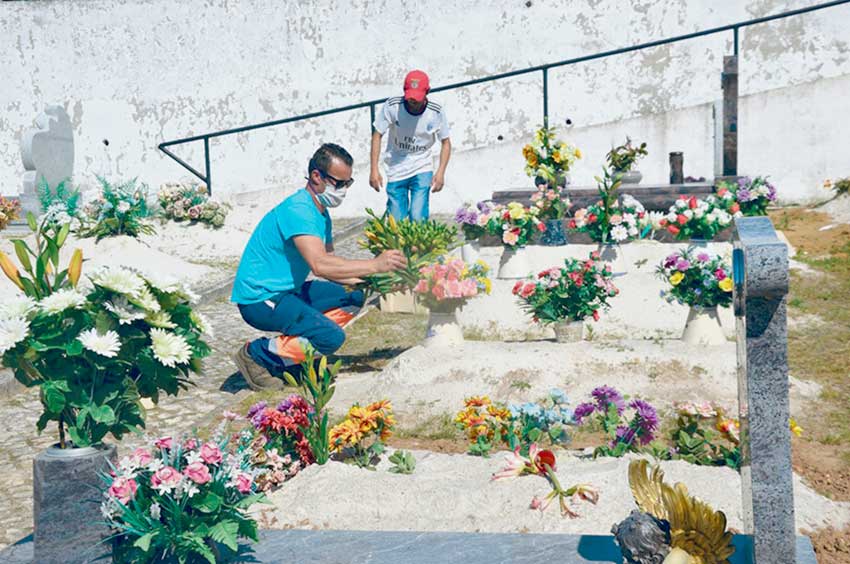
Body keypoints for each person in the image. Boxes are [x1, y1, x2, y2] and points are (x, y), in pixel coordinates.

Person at [231, 143, 407, 390]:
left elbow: (334, 264)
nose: (343, 190)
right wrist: (376, 264)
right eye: (339, 183)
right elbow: (320, 265)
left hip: (288, 291)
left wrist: (378, 282)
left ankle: (296, 352)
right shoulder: (298, 210)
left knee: (353, 297)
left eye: (348, 183)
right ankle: (257, 355)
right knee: (331, 337)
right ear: (316, 176)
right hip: (261, 299)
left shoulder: (320, 213)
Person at [369, 69, 452, 222]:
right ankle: (398, 246)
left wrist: (441, 172)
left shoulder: (436, 112)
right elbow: (377, 135)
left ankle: (419, 246)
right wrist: (374, 169)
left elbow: (446, 142)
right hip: (396, 166)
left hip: (422, 165)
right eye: (410, 97)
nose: (412, 101)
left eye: (417, 98)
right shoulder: (393, 106)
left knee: (417, 215)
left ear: (427, 92)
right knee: (397, 219)